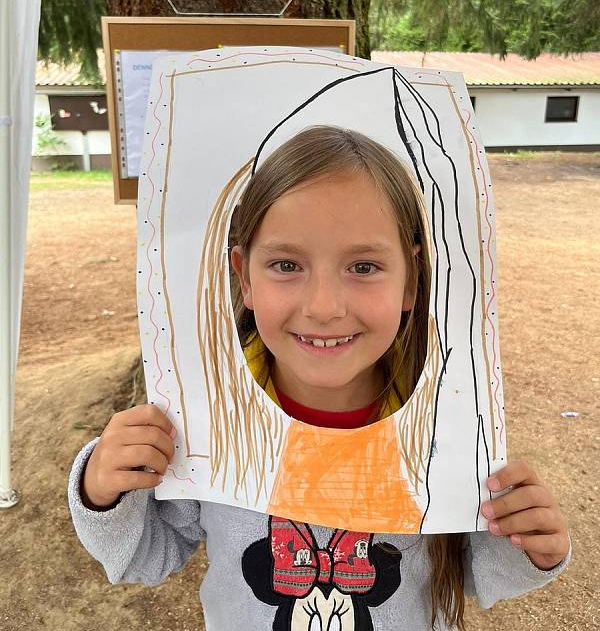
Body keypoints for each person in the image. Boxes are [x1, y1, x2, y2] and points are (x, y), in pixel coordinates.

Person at [68, 126, 570, 631]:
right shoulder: (208, 417)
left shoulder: (448, 423)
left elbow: (476, 571)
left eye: (364, 266)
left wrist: (530, 545)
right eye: (286, 264)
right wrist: (103, 494)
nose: (324, 308)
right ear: (244, 277)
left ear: (412, 281)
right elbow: (149, 555)